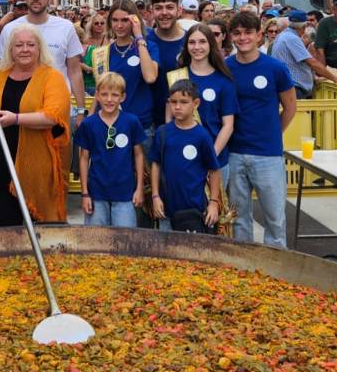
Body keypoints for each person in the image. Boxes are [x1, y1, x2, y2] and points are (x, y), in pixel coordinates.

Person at [0, 24, 71, 226]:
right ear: (10, 50)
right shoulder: (0, 75)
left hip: (36, 164)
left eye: (31, 44)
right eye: (19, 45)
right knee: (6, 225)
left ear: (40, 49)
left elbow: (53, 117)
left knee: (41, 226)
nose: (24, 49)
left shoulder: (52, 78)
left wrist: (17, 119)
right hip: (0, 162)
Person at [225, 11, 295, 248]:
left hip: (268, 154)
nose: (242, 37)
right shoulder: (225, 68)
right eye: (237, 33)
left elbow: (290, 106)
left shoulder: (275, 68)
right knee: (238, 217)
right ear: (231, 37)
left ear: (259, 36)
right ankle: (243, 265)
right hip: (234, 152)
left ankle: (275, 265)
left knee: (275, 217)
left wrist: (274, 133)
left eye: (248, 32)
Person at [0, 0, 87, 123]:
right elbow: (2, 70)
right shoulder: (10, 29)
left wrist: (81, 110)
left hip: (57, 109)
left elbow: (74, 71)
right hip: (18, 110)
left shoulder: (66, 27)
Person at [150, 79, 222, 233]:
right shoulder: (162, 133)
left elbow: (214, 170)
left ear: (195, 104)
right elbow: (156, 164)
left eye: (183, 102)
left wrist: (214, 202)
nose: (177, 107)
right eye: (173, 102)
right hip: (166, 209)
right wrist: (155, 196)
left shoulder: (202, 136)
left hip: (194, 210)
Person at [170, 23, 237, 186]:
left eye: (202, 42)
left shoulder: (224, 81)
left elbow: (228, 125)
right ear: (186, 46)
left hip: (215, 159)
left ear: (211, 45)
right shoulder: (177, 77)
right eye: (192, 42)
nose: (197, 47)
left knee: (215, 210)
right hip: (182, 157)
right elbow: (170, 120)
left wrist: (210, 156)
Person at [75, 71, 144, 227]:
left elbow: (139, 155)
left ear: (123, 97)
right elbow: (84, 158)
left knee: (125, 241)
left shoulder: (131, 122)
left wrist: (139, 188)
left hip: (125, 193)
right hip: (96, 194)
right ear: (97, 95)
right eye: (104, 94)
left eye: (114, 95)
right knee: (95, 242)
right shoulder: (89, 124)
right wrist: (85, 193)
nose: (109, 99)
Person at [92, 0, 159, 141]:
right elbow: (100, 89)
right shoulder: (103, 52)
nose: (119, 25)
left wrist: (139, 37)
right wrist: (90, 117)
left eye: (125, 20)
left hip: (140, 125)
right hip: (109, 125)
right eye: (115, 20)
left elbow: (150, 77)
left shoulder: (148, 47)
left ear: (134, 21)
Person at [272, 11, 337, 98]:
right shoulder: (292, 38)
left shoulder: (283, 35)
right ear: (304, 27)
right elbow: (312, 62)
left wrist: (314, 77)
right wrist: (335, 78)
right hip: (294, 88)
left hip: (287, 86)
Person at [78, 9, 108, 95]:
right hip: (88, 83)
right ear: (91, 25)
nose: (99, 25)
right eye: (96, 23)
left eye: (102, 23)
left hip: (105, 82)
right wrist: (89, 69)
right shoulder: (85, 41)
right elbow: (76, 62)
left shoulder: (110, 41)